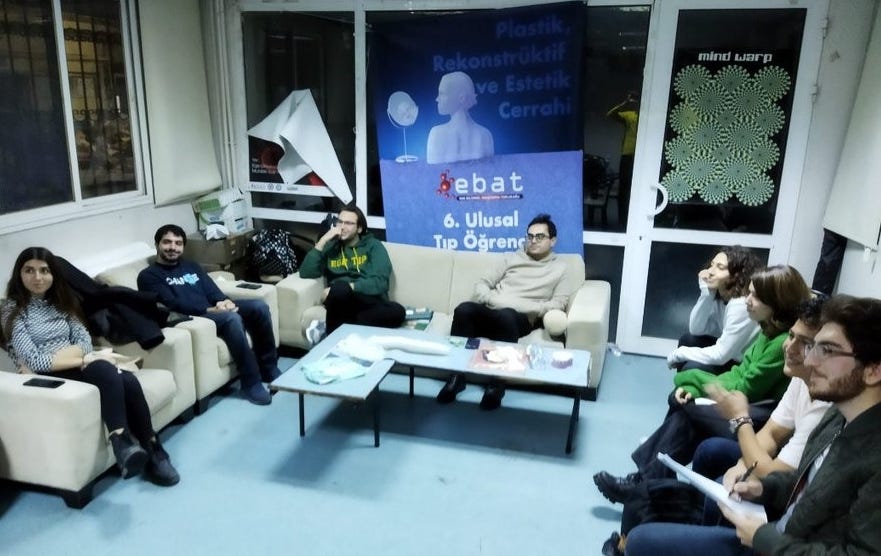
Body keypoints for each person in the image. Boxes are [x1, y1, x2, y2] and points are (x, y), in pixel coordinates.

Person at [623, 294, 881, 555]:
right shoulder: (839, 414)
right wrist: (765, 489)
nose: (811, 360)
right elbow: (807, 479)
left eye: (827, 350)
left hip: (779, 544)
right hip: (780, 535)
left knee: (642, 541)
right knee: (641, 533)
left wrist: (764, 538)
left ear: (873, 370)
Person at [594, 265, 812, 503]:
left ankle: (646, 480)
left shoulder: (782, 343)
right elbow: (740, 371)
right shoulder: (768, 329)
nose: (747, 300)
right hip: (747, 403)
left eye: (756, 297)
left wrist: (689, 380)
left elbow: (747, 387)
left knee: (685, 407)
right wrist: (696, 388)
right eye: (748, 293)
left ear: (777, 303)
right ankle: (650, 481)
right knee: (686, 408)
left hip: (757, 415)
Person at [1, 247, 179, 486]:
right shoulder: (11, 310)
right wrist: (81, 358)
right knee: (108, 370)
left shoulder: (62, 302)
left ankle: (139, 446)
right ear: (19, 275)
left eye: (45, 271)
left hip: (74, 367)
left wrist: (78, 356)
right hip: (46, 379)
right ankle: (146, 449)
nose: (38, 277)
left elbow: (84, 342)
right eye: (29, 271)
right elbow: (34, 361)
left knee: (126, 379)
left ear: (54, 275)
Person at [436, 213, 577, 410]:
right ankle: (456, 376)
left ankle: (497, 383)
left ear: (553, 241)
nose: (533, 241)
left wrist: (527, 306)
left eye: (540, 236)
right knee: (464, 310)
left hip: (519, 319)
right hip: (492, 309)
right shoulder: (510, 257)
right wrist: (493, 299)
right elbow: (482, 285)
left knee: (507, 315)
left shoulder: (561, 269)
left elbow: (559, 303)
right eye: (530, 236)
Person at [138, 224, 280, 406]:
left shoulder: (191, 266)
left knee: (259, 307)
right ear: (157, 244)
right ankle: (251, 381)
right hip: (193, 317)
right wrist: (209, 310)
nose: (173, 247)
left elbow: (211, 290)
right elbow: (171, 303)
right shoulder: (148, 276)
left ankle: (269, 368)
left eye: (178, 243)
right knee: (231, 318)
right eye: (167, 242)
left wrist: (223, 301)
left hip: (212, 310)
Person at [298, 203, 405, 342]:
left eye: (348, 223)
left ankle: (332, 329)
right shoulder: (331, 247)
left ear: (359, 228)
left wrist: (352, 287)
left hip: (368, 300)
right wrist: (323, 240)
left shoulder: (374, 246)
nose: (342, 227)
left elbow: (380, 283)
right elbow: (306, 272)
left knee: (398, 312)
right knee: (340, 288)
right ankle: (334, 342)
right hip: (341, 299)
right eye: (340, 222)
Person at [667, 246, 762, 373]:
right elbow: (696, 329)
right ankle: (683, 388)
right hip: (729, 354)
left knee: (692, 367)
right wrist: (706, 294)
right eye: (711, 265)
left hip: (741, 364)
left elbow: (721, 356)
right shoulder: (720, 295)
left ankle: (683, 389)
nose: (710, 271)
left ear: (736, 276)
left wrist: (679, 353)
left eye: (720, 267)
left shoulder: (741, 304)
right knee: (688, 340)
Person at [426, 71, 494, 164]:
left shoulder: (437, 134)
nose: (437, 99)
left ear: (461, 98)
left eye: (442, 94)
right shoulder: (485, 134)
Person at [606, 91, 639, 229]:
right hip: (627, 155)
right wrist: (626, 103)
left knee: (637, 190)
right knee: (624, 189)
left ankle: (635, 222)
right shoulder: (630, 116)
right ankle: (622, 222)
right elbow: (610, 114)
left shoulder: (649, 118)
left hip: (641, 157)